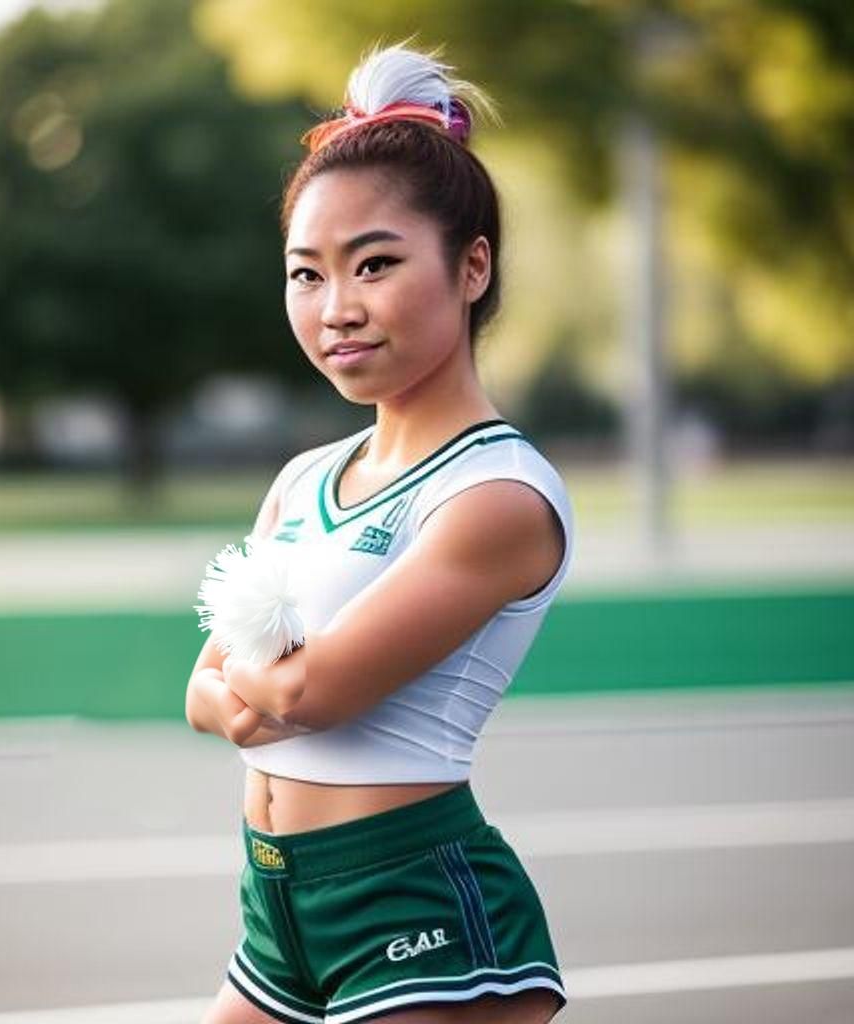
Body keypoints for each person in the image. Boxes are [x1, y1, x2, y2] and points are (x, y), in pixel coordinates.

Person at [185, 43, 572, 1024]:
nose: (336, 309)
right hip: (273, 903)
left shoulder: (496, 496)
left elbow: (312, 691)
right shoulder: (304, 478)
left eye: (376, 264)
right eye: (305, 274)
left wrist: (258, 686)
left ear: (471, 264)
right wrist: (252, 691)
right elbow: (201, 693)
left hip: (414, 906)